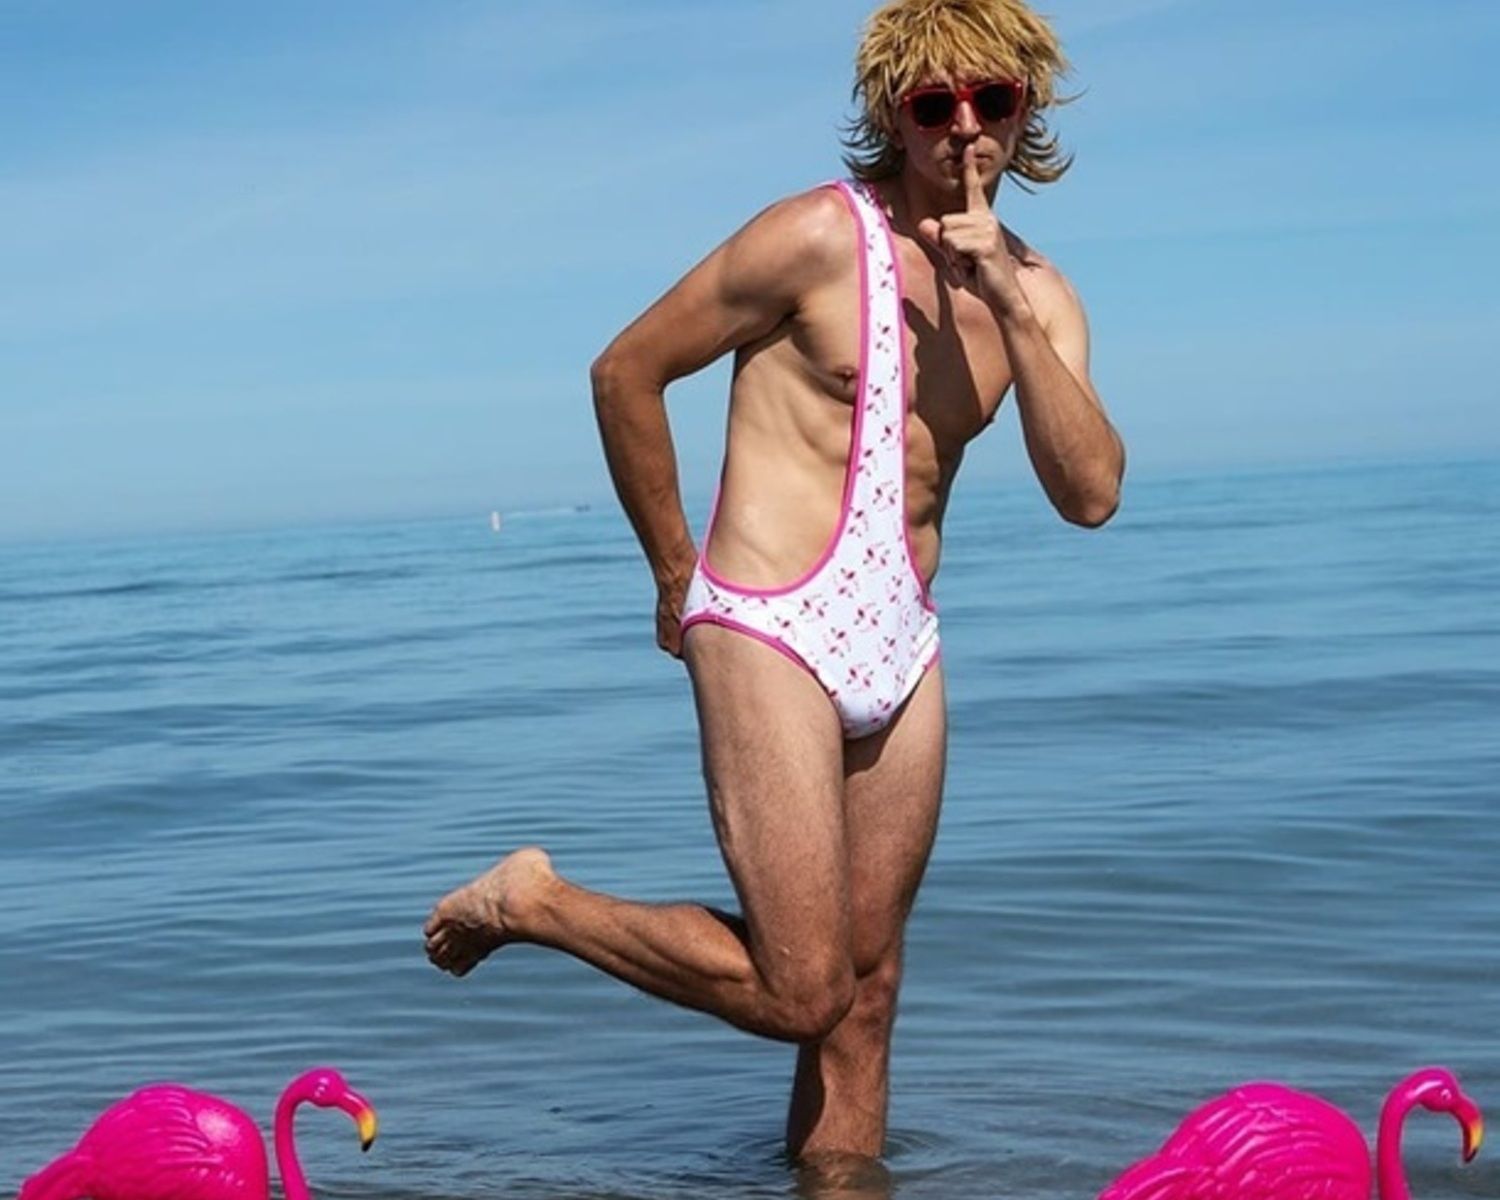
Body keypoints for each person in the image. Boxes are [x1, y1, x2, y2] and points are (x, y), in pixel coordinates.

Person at [424, 0, 1124, 1165]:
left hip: (901, 638)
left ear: (1023, 112)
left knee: (869, 992)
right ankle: (534, 902)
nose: (963, 127)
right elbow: (625, 372)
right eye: (933, 104)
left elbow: (1091, 494)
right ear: (892, 116)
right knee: (806, 989)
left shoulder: (1042, 297)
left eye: (990, 100)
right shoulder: (814, 238)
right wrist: (675, 575)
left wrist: (1003, 294)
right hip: (767, 618)